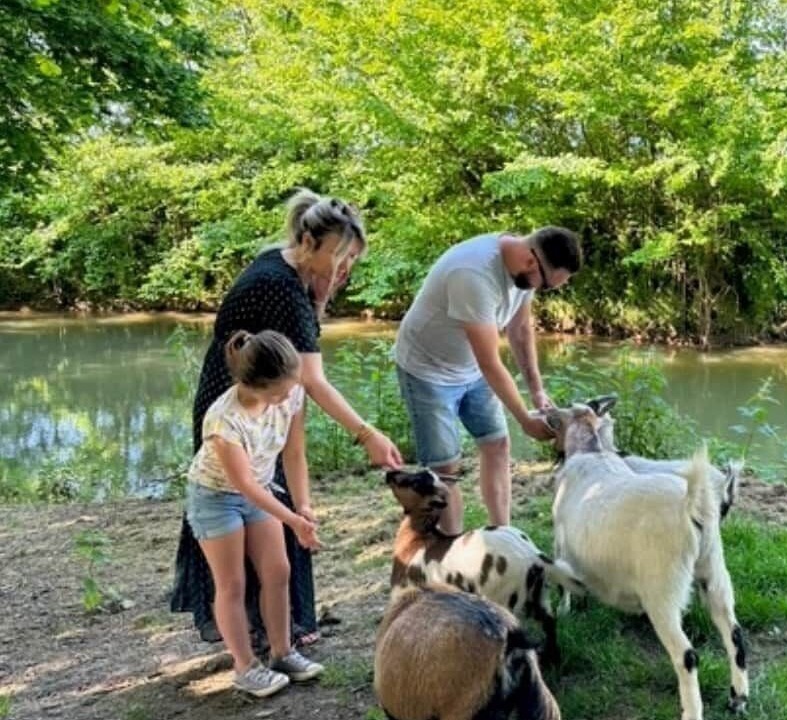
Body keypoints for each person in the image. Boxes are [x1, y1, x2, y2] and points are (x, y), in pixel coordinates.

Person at [171, 189, 404, 648]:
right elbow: (312, 381)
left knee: (270, 502)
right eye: (340, 258)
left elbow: (300, 400)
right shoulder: (282, 287)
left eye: (352, 259)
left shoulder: (285, 271)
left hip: (264, 393)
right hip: (242, 403)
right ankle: (257, 629)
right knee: (245, 499)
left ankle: (285, 624)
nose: (344, 271)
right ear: (308, 242)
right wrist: (366, 434)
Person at [394, 227, 582, 533]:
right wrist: (524, 418)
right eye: (546, 286)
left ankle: (503, 536)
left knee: (498, 444)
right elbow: (491, 361)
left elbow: (520, 332)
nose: (542, 291)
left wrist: (536, 390)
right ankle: (452, 554)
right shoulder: (473, 274)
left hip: (472, 368)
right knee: (445, 469)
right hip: (428, 371)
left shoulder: (524, 270)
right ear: (532, 262)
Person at [185, 330, 323, 697]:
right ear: (255, 384)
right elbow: (244, 484)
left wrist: (304, 504)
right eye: (278, 392)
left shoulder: (291, 394)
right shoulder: (223, 422)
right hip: (216, 497)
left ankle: (283, 652)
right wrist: (293, 521)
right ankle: (245, 667)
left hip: (260, 492)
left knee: (278, 570)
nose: (285, 398)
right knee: (232, 584)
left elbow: (294, 454)